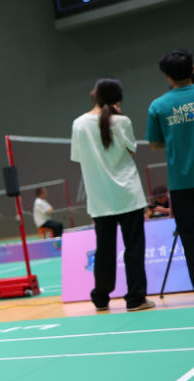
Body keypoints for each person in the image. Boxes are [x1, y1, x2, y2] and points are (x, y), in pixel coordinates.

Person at [71, 79, 154, 312]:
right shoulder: (123, 121)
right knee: (134, 248)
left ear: (96, 95)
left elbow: (78, 157)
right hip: (128, 195)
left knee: (104, 250)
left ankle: (101, 298)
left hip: (100, 198)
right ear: (118, 99)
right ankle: (136, 299)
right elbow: (131, 150)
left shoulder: (78, 124)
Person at [147, 49, 194, 287]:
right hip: (180, 185)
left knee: (190, 240)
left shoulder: (158, 106)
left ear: (166, 76)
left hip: (181, 185)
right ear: (192, 69)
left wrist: (176, 137)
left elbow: (155, 144)